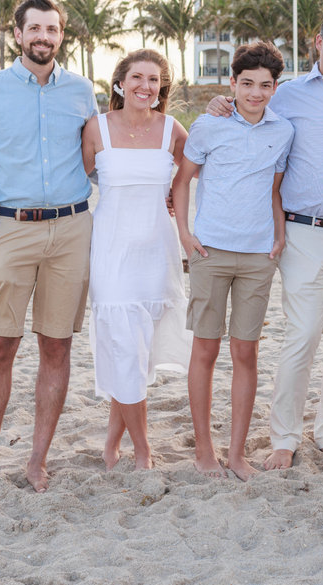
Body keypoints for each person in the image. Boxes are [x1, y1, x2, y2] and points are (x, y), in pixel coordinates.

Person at [208, 7, 323, 468]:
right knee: (302, 336)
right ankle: (284, 437)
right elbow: (243, 117)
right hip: (304, 232)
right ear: (318, 43)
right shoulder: (285, 96)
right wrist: (217, 105)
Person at [0, 0, 97, 499]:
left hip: (72, 229)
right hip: (10, 229)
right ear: (17, 35)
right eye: (35, 28)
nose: (44, 37)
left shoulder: (82, 91)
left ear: (61, 35)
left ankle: (37, 461)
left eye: (52, 29)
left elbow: (106, 152)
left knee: (57, 345)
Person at [172, 42, 293, 479]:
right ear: (232, 84)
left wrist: (278, 237)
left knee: (246, 353)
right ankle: (204, 451)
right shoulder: (208, 125)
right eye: (246, 84)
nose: (255, 93)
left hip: (259, 256)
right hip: (210, 252)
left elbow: (275, 189)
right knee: (205, 349)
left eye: (264, 85)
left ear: (275, 87)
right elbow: (182, 182)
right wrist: (185, 235)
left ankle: (238, 454)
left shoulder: (283, 131)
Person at [81, 49, 192, 471]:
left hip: (156, 254)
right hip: (111, 251)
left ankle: (112, 443)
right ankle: (142, 450)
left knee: (135, 354)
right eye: (138, 78)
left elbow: (186, 178)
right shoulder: (96, 130)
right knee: (124, 346)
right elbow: (80, 179)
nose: (146, 87)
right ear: (120, 83)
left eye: (155, 80)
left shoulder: (173, 131)